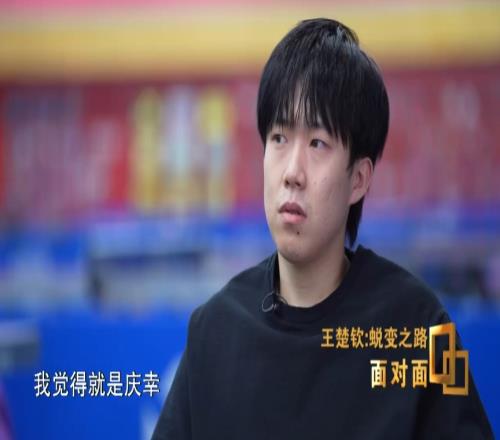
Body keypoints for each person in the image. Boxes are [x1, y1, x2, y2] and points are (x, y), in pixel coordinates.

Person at [152, 18, 493, 439]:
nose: (292, 173)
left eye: (317, 143)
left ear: (359, 179)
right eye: (279, 138)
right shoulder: (214, 330)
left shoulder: (425, 328)